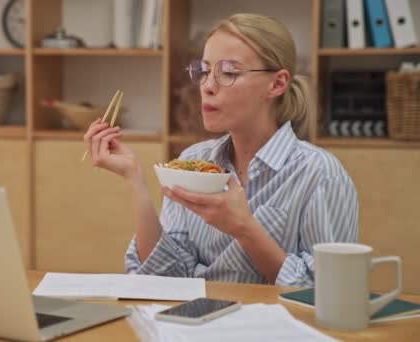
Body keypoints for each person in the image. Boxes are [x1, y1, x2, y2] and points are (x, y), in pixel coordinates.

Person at [83, 13, 358, 286]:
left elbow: (331, 293)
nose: (207, 86)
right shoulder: (193, 161)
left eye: (228, 73)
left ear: (277, 83)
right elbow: (165, 278)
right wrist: (135, 180)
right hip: (196, 324)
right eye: (204, 71)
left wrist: (245, 228)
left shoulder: (319, 173)